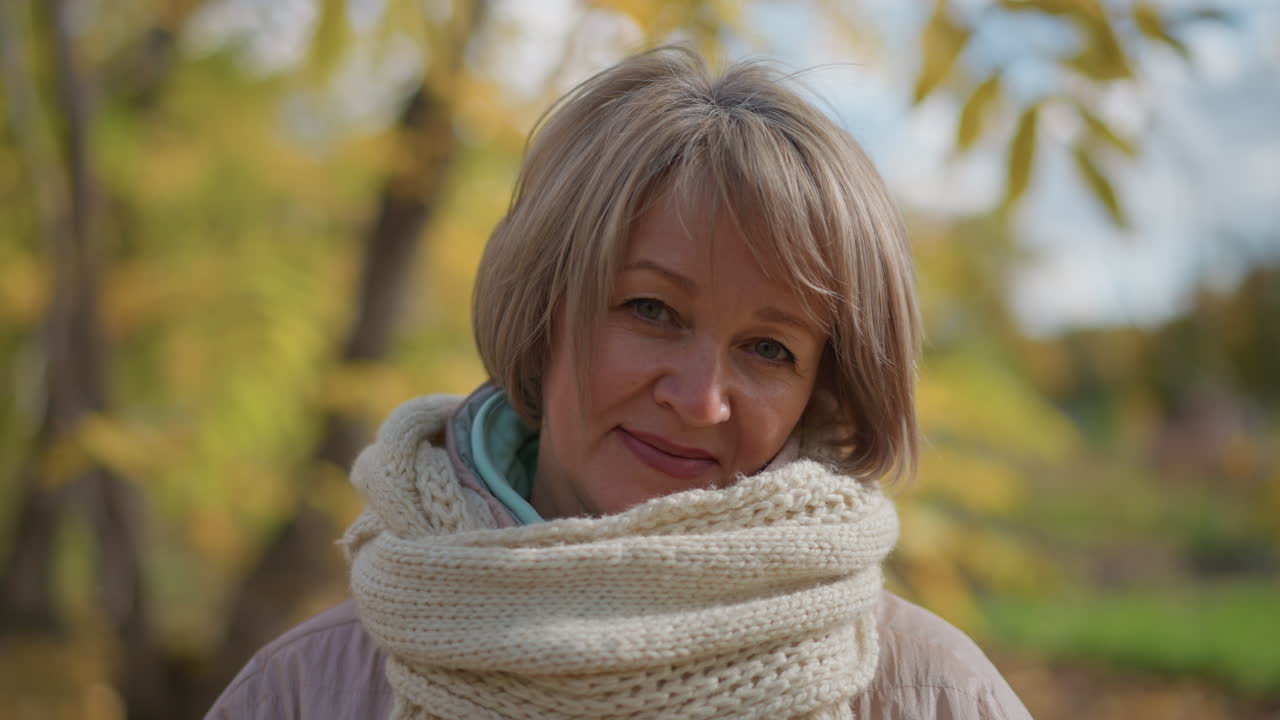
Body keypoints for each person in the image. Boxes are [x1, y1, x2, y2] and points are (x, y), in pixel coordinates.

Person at [207, 47, 1033, 720]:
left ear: (824, 387)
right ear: (544, 307)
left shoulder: (930, 694)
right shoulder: (307, 691)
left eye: (769, 350)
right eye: (651, 309)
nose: (701, 398)